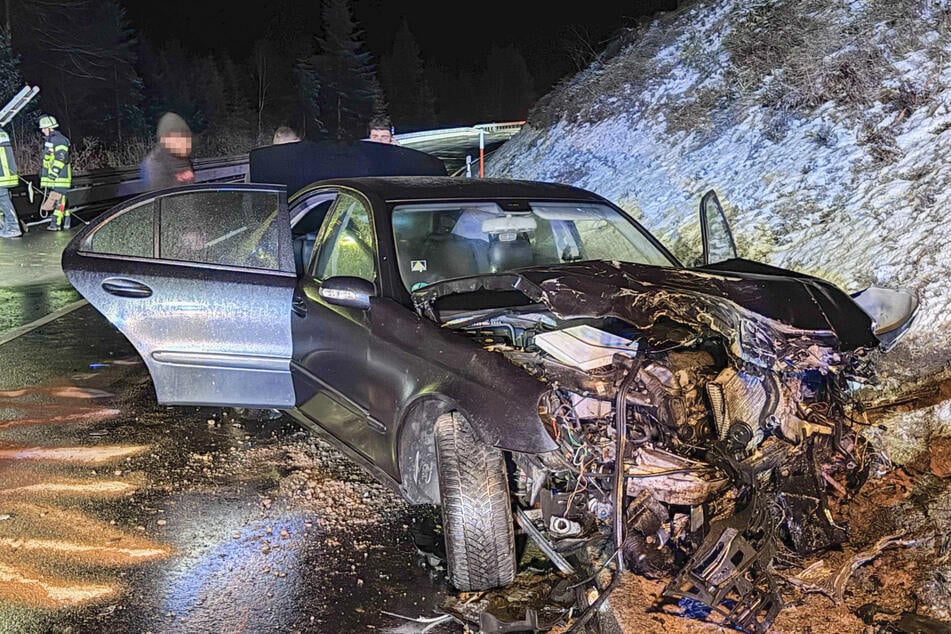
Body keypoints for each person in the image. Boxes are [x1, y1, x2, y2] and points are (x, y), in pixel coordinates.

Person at [141, 112, 195, 192]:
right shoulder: (155, 163)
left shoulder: (185, 160)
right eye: (179, 138)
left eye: (186, 137)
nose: (185, 142)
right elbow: (160, 195)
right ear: (165, 139)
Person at [38, 114, 72, 231]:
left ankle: (55, 223)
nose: (42, 131)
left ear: (50, 128)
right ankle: (67, 221)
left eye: (44, 128)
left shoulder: (59, 140)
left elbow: (61, 158)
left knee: (58, 200)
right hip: (55, 178)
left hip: (60, 177)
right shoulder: (51, 141)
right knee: (61, 199)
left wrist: (53, 174)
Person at [0, 129, 22, 238]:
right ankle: (7, 227)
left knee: (4, 201)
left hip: (2, 175)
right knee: (3, 202)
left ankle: (14, 228)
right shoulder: (2, 133)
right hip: (7, 173)